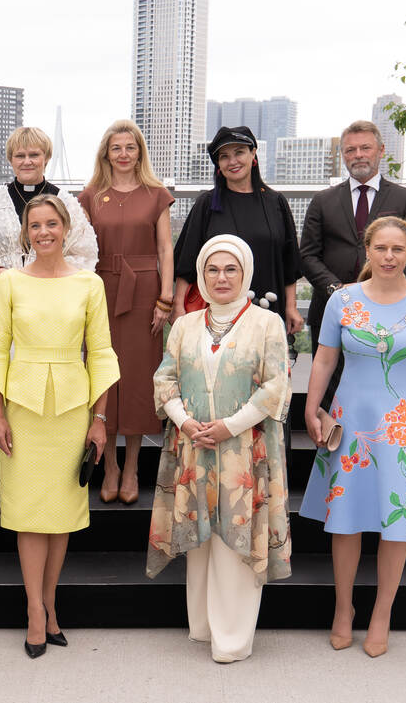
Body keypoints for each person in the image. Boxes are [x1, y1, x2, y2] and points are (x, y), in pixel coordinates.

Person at [298, 216, 406, 658]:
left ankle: (382, 614)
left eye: (397, 249)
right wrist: (311, 406)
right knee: (345, 520)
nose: (389, 257)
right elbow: (324, 359)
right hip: (352, 421)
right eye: (381, 248)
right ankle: (343, 609)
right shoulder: (341, 299)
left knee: (396, 523)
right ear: (367, 250)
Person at [0, 194, 119, 659]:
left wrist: (99, 419)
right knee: (27, 512)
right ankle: (34, 611)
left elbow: (101, 354)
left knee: (61, 516)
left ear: (66, 228)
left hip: (73, 410)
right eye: (35, 225)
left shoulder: (89, 284)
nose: (43, 232)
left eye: (51, 224)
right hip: (21, 409)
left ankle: (50, 602)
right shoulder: (9, 282)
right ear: (26, 232)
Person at [147, 234, 292, 664]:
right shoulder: (186, 324)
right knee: (200, 540)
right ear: (201, 275)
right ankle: (203, 626)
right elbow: (165, 379)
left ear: (246, 273)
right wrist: (186, 422)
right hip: (193, 445)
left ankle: (231, 639)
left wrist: (228, 427)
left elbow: (275, 387)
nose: (221, 277)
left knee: (234, 540)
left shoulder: (267, 323)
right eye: (212, 269)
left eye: (231, 269)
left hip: (244, 449)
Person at [0, 127, 98, 447]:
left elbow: (85, 256)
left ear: (46, 157)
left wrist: (50, 279)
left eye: (34, 154)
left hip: (50, 309)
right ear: (10, 160)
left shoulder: (67, 203)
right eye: (19, 155)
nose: (27, 161)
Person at [77, 120, 174, 505]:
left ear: (139, 152)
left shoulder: (157, 194)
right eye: (116, 147)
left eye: (130, 147)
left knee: (136, 380)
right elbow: (81, 250)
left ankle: (132, 465)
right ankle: (110, 465)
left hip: (144, 291)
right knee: (103, 375)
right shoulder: (90, 196)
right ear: (106, 153)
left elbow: (165, 248)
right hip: (101, 289)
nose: (123, 154)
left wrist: (165, 297)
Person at [300, 120, 406, 409]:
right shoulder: (323, 200)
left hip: (389, 310)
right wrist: (338, 291)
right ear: (343, 155)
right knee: (330, 389)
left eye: (365, 148)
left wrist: (373, 289)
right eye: (350, 150)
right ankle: (330, 436)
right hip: (331, 308)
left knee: (382, 385)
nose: (358, 155)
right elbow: (307, 255)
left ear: (380, 150)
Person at [172, 125, 302, 340]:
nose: (232, 161)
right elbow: (187, 263)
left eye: (239, 152)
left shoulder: (275, 202)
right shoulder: (207, 204)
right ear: (218, 164)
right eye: (224, 156)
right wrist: (178, 306)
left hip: (268, 309)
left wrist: (291, 307)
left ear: (253, 154)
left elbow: (289, 264)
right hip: (217, 313)